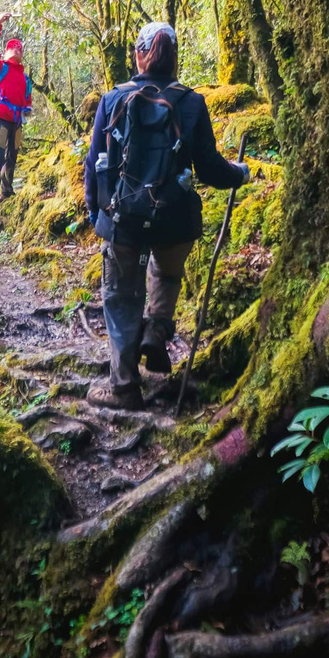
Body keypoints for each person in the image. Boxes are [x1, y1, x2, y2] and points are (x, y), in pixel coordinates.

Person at [84, 21, 250, 411]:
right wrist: (240, 174)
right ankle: (156, 332)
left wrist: (97, 216)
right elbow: (209, 169)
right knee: (167, 274)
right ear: (174, 58)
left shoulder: (112, 99)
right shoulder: (191, 102)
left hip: (122, 219)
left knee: (122, 298)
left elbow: (93, 166)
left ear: (139, 55)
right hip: (175, 220)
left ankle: (124, 387)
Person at [0, 11, 32, 204]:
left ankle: (7, 189)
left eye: (18, 49)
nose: (16, 51)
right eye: (13, 49)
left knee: (11, 156)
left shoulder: (25, 78)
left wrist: (27, 109)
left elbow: (27, 99)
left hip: (16, 120)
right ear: (7, 52)